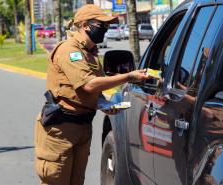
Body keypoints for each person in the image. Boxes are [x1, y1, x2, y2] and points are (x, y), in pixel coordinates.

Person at [34, 4, 151, 185]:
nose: (105, 29)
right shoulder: (69, 50)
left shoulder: (91, 54)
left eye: (106, 25)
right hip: (61, 129)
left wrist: (103, 104)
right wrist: (129, 76)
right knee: (56, 181)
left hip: (83, 127)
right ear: (85, 25)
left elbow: (95, 89)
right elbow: (88, 85)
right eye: (101, 25)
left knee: (76, 181)